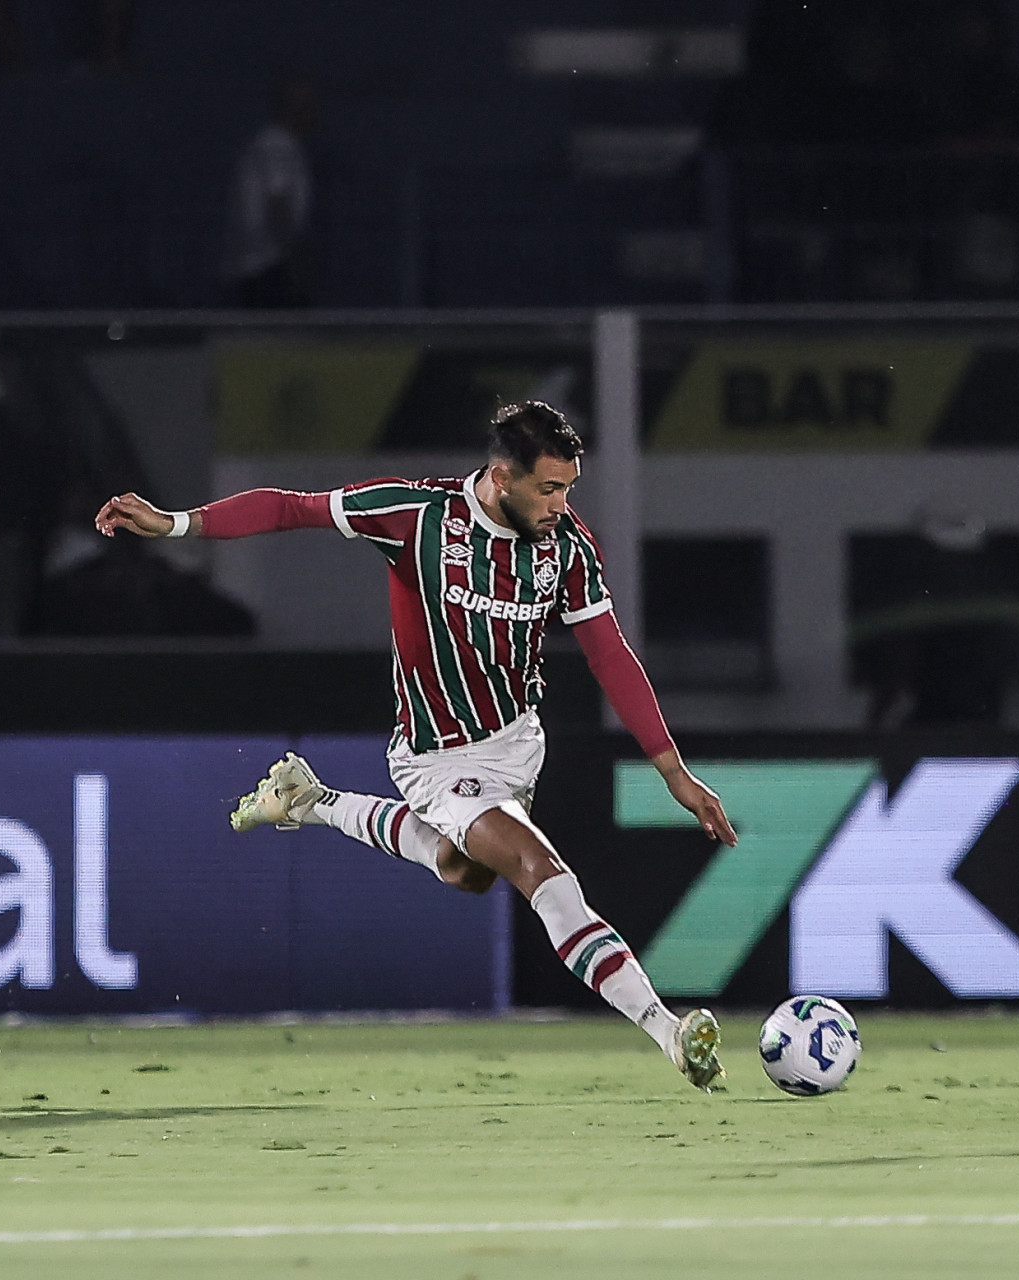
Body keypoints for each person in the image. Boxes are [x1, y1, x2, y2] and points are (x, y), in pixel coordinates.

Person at [93, 402, 737, 1091]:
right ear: (501, 476)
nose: (561, 505)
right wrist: (177, 523)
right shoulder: (416, 516)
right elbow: (291, 508)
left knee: (465, 871)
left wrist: (672, 769)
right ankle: (668, 1032)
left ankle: (311, 801)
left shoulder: (568, 548)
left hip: (519, 744)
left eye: (569, 488)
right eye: (549, 489)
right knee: (538, 869)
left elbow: (610, 655)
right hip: (437, 756)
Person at [226, 78, 316, 307]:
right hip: (266, 261)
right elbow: (277, 199)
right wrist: (294, 255)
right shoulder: (276, 144)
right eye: (308, 106)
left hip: (266, 258)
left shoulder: (279, 143)